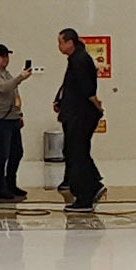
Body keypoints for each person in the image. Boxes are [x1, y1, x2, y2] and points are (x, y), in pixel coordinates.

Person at [52, 29, 101, 210]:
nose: (59, 46)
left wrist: (96, 106)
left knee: (77, 153)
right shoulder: (76, 58)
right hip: (75, 113)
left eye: (61, 42)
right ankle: (93, 184)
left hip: (80, 115)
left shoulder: (79, 60)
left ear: (70, 42)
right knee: (75, 151)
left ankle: (84, 196)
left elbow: (87, 88)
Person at [0, 44, 33, 202]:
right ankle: (1, 187)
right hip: (1, 120)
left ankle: (11, 183)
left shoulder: (7, 74)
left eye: (6, 56)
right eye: (1, 56)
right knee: (2, 155)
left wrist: (19, 114)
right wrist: (20, 78)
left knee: (17, 152)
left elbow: (15, 94)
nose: (5, 59)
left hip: (13, 119)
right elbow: (4, 88)